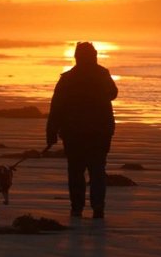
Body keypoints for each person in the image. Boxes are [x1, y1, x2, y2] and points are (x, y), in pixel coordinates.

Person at [45, 40, 119, 220]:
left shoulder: (67, 78)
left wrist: (51, 132)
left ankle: (77, 207)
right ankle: (98, 207)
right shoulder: (102, 74)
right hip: (100, 132)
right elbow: (113, 93)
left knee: (76, 171)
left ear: (77, 57)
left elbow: (56, 107)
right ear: (94, 56)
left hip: (74, 132)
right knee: (98, 170)